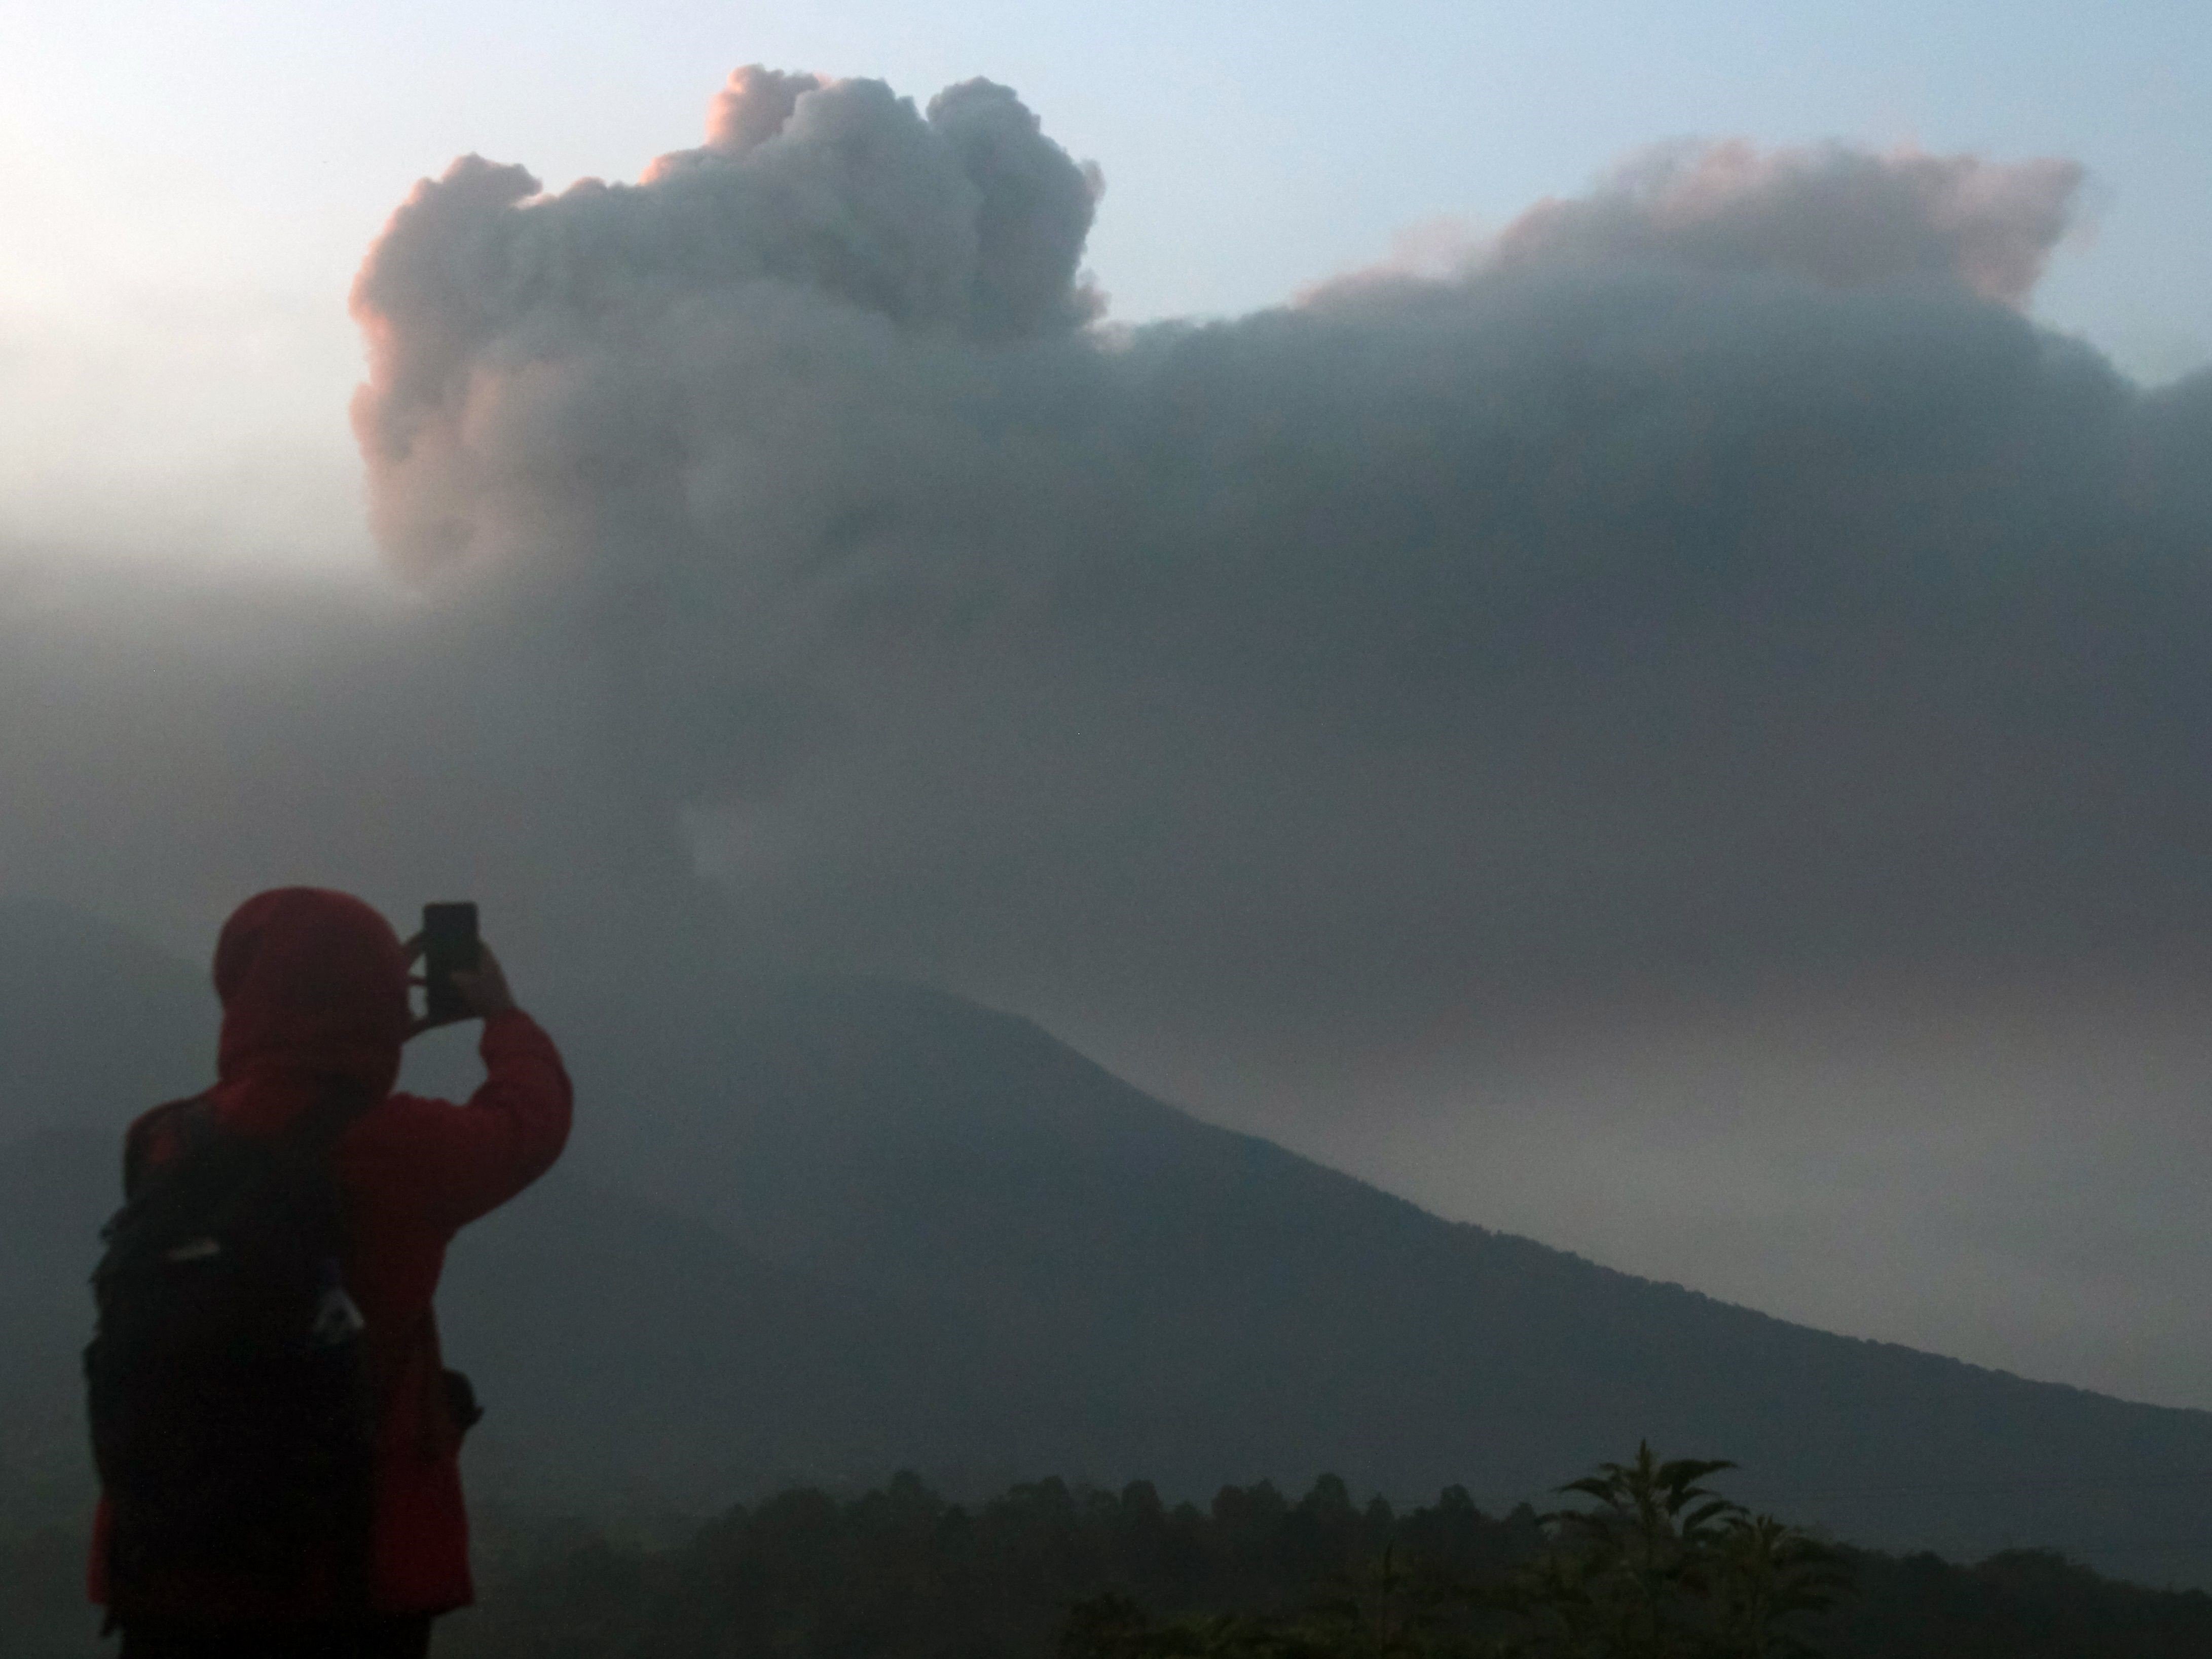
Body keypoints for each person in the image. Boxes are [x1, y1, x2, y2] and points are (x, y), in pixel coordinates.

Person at [88, 887, 574, 1657]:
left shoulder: (161, 1142)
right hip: (348, 1575)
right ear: (381, 995)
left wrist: (361, 1038)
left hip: (167, 1568)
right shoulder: (405, 1152)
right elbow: (530, 1123)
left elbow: (278, 1102)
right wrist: (502, 1017)